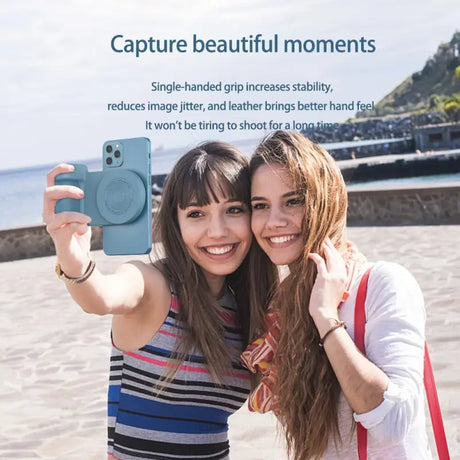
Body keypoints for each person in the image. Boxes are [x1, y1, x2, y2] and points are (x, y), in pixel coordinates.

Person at [42, 142, 272, 460]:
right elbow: (100, 297)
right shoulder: (153, 286)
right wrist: (72, 257)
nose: (217, 231)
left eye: (234, 209)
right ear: (176, 225)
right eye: (196, 214)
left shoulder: (246, 308)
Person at [241, 131, 430, 459]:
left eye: (293, 201)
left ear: (324, 201)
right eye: (260, 205)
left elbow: (393, 424)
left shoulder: (383, 283)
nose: (274, 221)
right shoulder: (280, 310)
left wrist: (326, 318)